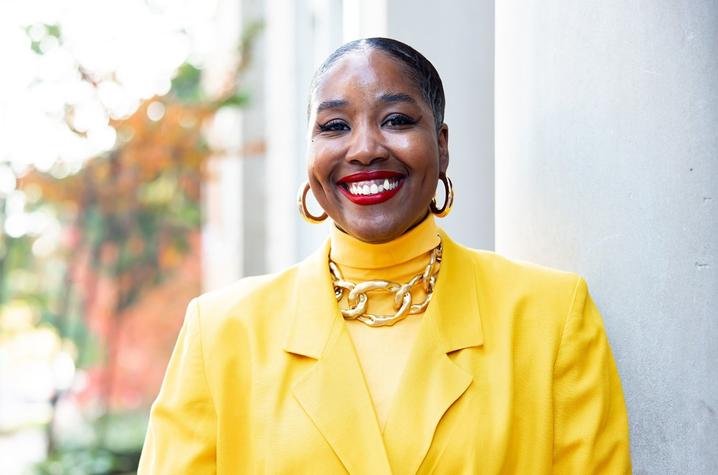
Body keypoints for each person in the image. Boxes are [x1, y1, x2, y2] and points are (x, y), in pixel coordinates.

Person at [138, 37, 631, 474]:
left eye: (396, 120)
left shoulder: (551, 314)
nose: (365, 148)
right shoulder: (221, 331)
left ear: (441, 145)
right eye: (334, 126)